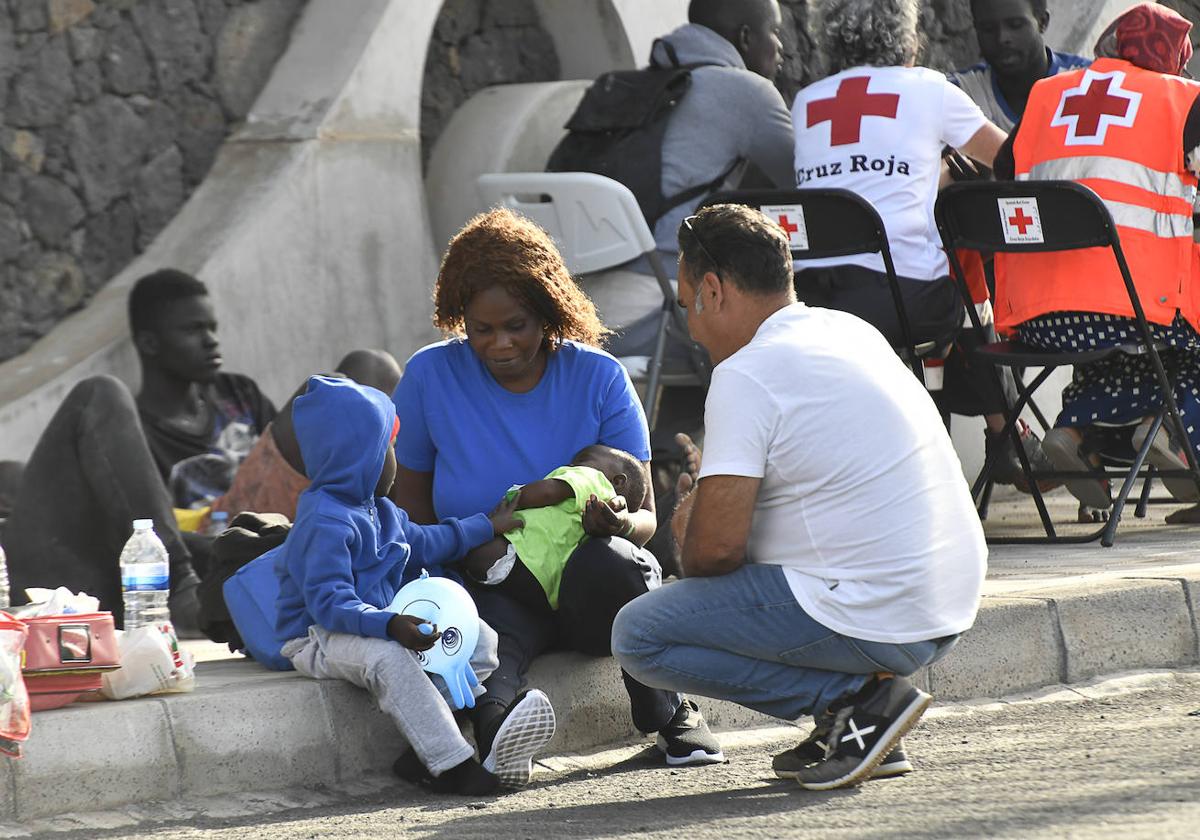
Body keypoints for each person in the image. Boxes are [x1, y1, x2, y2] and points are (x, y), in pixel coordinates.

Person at [612, 203, 987, 790]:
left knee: (638, 635)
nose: (691, 325)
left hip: (880, 613)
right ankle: (859, 726)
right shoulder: (849, 329)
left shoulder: (747, 371)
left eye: (688, 305)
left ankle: (853, 705)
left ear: (712, 290)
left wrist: (692, 508)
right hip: (949, 601)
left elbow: (710, 555)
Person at [391, 209, 724, 783]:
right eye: (481, 329)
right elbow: (410, 514)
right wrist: (439, 593)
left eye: (516, 325)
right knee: (488, 651)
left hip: (592, 588)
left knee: (620, 566)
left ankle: (668, 711)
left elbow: (646, 520)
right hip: (492, 581)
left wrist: (618, 526)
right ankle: (498, 735)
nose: (499, 344)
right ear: (459, 320)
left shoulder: (599, 377)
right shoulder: (428, 377)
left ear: (547, 313)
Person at [789, 0, 1052, 491]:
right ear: (906, 34)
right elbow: (1015, 160)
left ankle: (988, 439)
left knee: (944, 281)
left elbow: (853, 193)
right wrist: (946, 173)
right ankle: (1005, 432)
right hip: (905, 304)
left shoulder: (808, 101)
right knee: (963, 274)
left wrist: (927, 176)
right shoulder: (928, 89)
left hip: (819, 302)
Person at [271, 375, 525, 796]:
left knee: (478, 637)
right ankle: (451, 765)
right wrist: (389, 625)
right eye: (388, 448)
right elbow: (329, 604)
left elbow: (427, 541)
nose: (396, 457)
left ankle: (424, 751)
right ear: (359, 456)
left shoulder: (380, 509)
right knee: (390, 658)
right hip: (319, 636)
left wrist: (485, 526)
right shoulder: (325, 521)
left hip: (377, 621)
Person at [991, 2, 1200, 516]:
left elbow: (1000, 168)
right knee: (1166, 338)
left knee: (1122, 344)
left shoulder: (1047, 95)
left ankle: (1077, 432)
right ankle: (1173, 431)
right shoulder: (1182, 100)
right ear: (1173, 58)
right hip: (1135, 309)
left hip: (1040, 321)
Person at [3, 270, 274, 627]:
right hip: (150, 577)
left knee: (348, 379)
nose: (211, 340)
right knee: (22, 463)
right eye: (193, 330)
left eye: (212, 327)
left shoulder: (240, 394)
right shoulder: (120, 431)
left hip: (254, 543)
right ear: (149, 344)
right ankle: (179, 582)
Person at [576, 0, 795, 365]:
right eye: (773, 31)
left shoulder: (632, 88)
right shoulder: (748, 92)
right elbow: (806, 185)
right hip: (659, 312)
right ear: (745, 37)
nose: (781, 46)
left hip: (574, 302)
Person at [462, 444, 649, 616]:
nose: (572, 466)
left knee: (474, 554)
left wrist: (512, 497)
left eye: (583, 462)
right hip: (546, 588)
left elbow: (548, 491)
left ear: (617, 481)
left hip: (520, 554)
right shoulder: (600, 526)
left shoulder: (593, 479)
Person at [950, 0, 1090, 134]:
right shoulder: (959, 94)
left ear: (1042, 22)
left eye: (1015, 25)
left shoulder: (1088, 83)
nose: (1002, 38)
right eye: (988, 29)